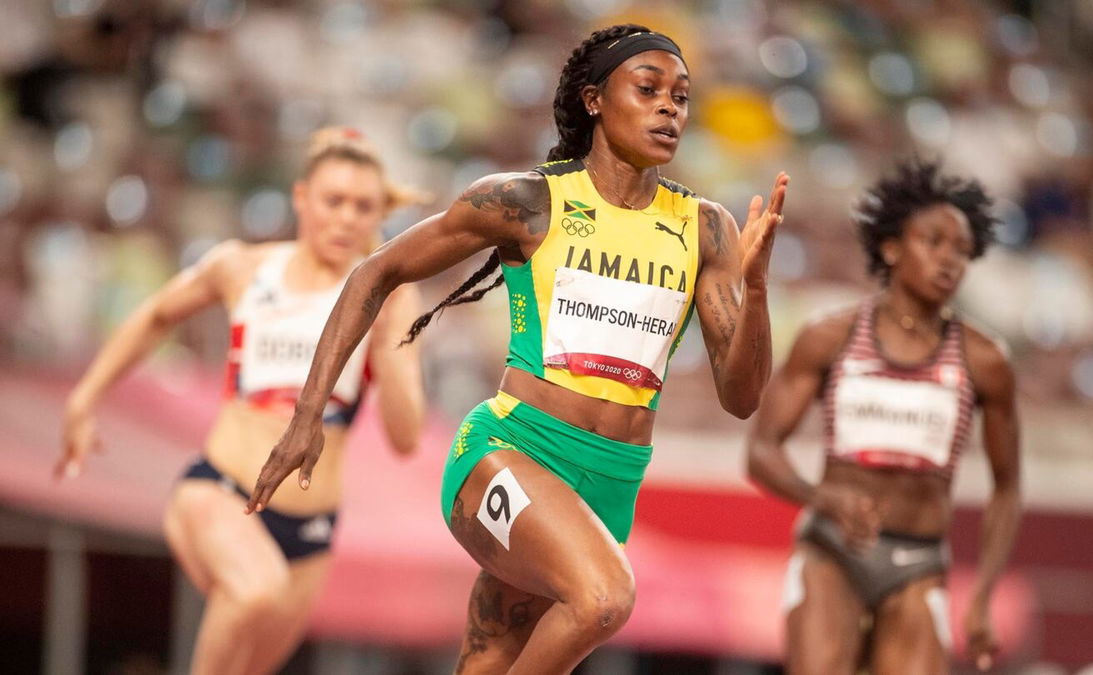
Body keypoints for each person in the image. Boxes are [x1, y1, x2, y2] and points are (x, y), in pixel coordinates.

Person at [247, 24, 788, 674]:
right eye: (648, 89)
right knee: (603, 597)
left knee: (491, 659)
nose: (670, 106)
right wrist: (309, 412)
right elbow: (375, 272)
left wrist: (754, 291)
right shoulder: (530, 202)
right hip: (508, 455)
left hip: (611, 486)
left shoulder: (705, 228)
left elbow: (741, 395)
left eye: (681, 95)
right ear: (594, 100)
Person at [56, 127, 426, 675]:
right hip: (220, 492)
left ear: (379, 217)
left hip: (311, 532)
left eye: (363, 207)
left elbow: (405, 438)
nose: (347, 218)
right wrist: (82, 401)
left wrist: (391, 332)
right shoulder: (244, 267)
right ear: (302, 198)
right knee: (256, 590)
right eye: (334, 201)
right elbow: (156, 315)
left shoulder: (387, 295)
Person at [746, 159, 1021, 674]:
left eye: (962, 251)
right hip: (832, 552)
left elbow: (1007, 488)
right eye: (933, 242)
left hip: (919, 561)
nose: (949, 261)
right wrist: (820, 496)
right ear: (892, 247)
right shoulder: (830, 337)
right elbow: (761, 451)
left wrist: (982, 595)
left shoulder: (986, 361)